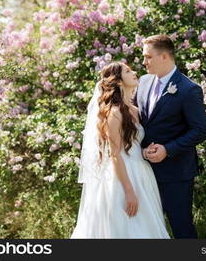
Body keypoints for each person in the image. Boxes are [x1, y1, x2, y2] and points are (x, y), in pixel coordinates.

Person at [71, 61, 170, 238]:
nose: (133, 73)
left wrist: (145, 152)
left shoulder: (135, 109)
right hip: (122, 178)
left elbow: (135, 143)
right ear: (117, 81)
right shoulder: (114, 112)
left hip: (142, 174)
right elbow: (115, 154)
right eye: (127, 71)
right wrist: (129, 191)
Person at [134, 34, 206, 238]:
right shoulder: (143, 82)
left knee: (181, 226)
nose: (144, 62)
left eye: (148, 57)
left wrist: (168, 149)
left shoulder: (188, 89)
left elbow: (201, 130)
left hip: (176, 173)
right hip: (143, 170)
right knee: (147, 228)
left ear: (165, 56)